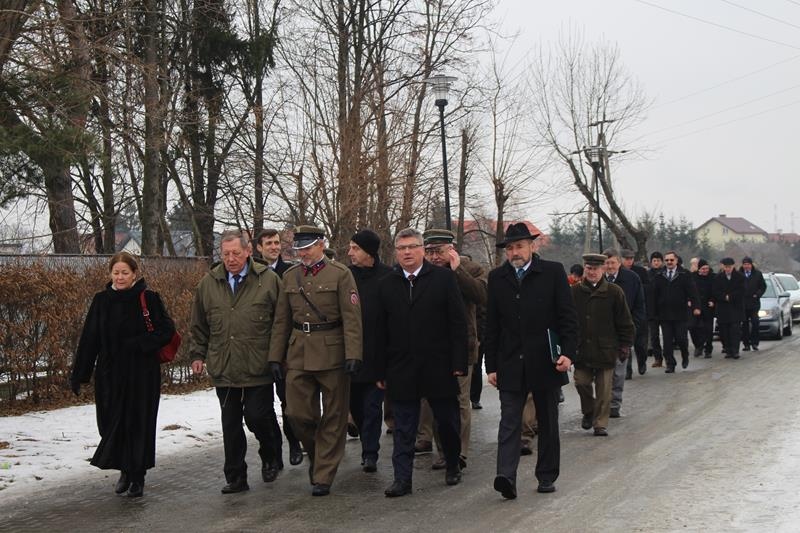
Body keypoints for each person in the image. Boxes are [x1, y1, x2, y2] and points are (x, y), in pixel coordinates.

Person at [484, 222, 578, 500]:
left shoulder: (552, 272)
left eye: (520, 246)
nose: (515, 252)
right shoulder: (497, 278)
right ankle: (506, 476)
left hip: (546, 360)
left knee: (547, 420)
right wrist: (491, 365)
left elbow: (567, 317)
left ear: (532, 246)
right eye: (510, 248)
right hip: (510, 361)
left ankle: (546, 475)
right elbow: (492, 326)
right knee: (509, 421)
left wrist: (568, 353)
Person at [71, 252, 176, 498]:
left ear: (134, 274)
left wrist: (140, 344)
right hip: (110, 373)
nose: (119, 277)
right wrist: (80, 374)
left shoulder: (148, 298)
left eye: (124, 273)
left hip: (142, 373)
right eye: (116, 272)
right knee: (110, 423)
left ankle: (137, 475)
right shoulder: (101, 300)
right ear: (110, 274)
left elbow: (166, 330)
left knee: (138, 423)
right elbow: (90, 338)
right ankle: (125, 470)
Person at [268, 225, 363, 497]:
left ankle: (323, 474)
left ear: (321, 245)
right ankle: (319, 455)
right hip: (298, 352)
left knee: (334, 416)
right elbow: (281, 321)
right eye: (299, 249)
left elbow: (352, 319)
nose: (303, 253)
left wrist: (353, 354)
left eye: (308, 248)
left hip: (333, 351)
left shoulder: (340, 274)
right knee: (297, 414)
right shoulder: (290, 276)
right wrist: (275, 356)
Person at [375, 228, 468, 497]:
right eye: (402, 248)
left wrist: (459, 362)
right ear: (396, 252)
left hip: (439, 365)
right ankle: (402, 479)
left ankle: (453, 463)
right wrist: (380, 369)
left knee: (447, 422)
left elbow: (457, 323)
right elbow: (379, 330)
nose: (407, 252)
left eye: (412, 247)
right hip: (401, 366)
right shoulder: (387, 283)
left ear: (422, 250)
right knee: (404, 427)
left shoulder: (442, 279)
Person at [189, 229, 283, 494]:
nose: (231, 259)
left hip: (258, 364)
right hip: (225, 365)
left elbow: (281, 323)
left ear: (248, 251)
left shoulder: (268, 280)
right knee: (230, 424)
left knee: (257, 416)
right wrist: (197, 355)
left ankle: (270, 453)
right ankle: (235, 477)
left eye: (236, 253)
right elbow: (199, 324)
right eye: (226, 254)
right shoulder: (209, 284)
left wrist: (278, 357)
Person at [415, 228, 487, 471]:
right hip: (431, 347)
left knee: (460, 400)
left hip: (463, 345)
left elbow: (481, 295)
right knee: (435, 400)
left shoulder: (471, 269)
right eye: (430, 252)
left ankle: (460, 452)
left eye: (440, 251)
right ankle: (445, 451)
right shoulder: (422, 272)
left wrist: (458, 272)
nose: (435, 257)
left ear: (451, 249)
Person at [254, 229, 303, 467]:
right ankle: (274, 450)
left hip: (285, 348)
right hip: (259, 347)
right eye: (269, 244)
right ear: (259, 248)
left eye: (276, 243)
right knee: (262, 406)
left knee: (287, 401)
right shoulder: (252, 274)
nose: (274, 247)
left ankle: (294, 443)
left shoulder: (290, 272)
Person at [571, 253, 635, 436]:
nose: (592, 272)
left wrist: (625, 345)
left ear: (603, 269)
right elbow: (567, 321)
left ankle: (600, 423)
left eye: (596, 269)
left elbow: (625, 321)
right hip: (582, 349)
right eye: (589, 268)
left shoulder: (614, 292)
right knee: (581, 383)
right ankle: (589, 410)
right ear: (584, 269)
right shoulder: (574, 292)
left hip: (606, 349)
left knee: (604, 389)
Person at [347, 229, 392, 473]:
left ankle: (370, 453)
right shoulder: (346, 276)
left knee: (373, 407)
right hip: (352, 354)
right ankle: (367, 443)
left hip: (377, 354)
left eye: (355, 248)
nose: (350, 253)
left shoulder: (388, 276)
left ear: (369, 252)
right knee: (356, 406)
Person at [603, 248, 644, 418]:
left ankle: (614, 403)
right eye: (606, 263)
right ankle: (602, 401)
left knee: (618, 370)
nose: (609, 266)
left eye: (612, 262)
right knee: (603, 371)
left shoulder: (632, 279)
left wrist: (633, 327)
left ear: (619, 263)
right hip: (602, 331)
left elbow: (639, 305)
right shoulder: (597, 278)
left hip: (623, 331)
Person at [652, 251, 700, 373]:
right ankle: (670, 363)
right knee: (667, 342)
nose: (669, 262)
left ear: (676, 261)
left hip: (680, 313)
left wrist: (696, 307)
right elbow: (654, 295)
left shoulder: (684, 274)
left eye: (671, 260)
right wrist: (654, 311)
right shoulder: (659, 275)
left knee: (681, 339)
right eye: (667, 260)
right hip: (664, 314)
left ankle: (685, 355)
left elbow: (693, 292)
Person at [620, 248, 649, 375]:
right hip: (623, 314)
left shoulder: (640, 272)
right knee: (626, 344)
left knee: (640, 344)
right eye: (626, 259)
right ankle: (627, 370)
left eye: (631, 259)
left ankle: (642, 362)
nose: (629, 261)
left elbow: (647, 290)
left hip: (637, 313)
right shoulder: (618, 273)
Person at [713, 257, 745, 359]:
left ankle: (735, 350)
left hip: (736, 307)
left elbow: (742, 290)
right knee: (724, 331)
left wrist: (730, 296)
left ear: (733, 266)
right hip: (723, 308)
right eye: (726, 267)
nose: (728, 269)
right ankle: (728, 350)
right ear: (723, 267)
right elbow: (715, 291)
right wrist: (723, 297)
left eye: (729, 267)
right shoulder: (718, 277)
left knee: (735, 330)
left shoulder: (740, 277)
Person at [690, 259, 716, 358]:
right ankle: (698, 346)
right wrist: (689, 300)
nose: (705, 271)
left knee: (708, 329)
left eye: (706, 269)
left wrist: (713, 300)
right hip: (696, 305)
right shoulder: (693, 277)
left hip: (708, 306)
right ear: (699, 269)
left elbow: (716, 290)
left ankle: (708, 349)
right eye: (703, 269)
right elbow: (688, 289)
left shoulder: (712, 277)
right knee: (693, 327)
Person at [740, 257, 766, 352]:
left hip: (754, 302)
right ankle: (746, 344)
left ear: (751, 265)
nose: (746, 266)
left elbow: (763, 286)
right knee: (744, 324)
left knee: (755, 322)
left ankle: (755, 343)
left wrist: (757, 294)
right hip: (743, 303)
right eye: (745, 264)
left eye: (748, 264)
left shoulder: (757, 274)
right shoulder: (739, 274)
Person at [647, 252, 664, 367]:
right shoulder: (647, 274)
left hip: (664, 309)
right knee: (654, 336)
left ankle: (668, 357)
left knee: (667, 336)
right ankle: (658, 358)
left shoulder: (666, 273)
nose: (656, 263)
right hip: (652, 310)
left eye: (658, 260)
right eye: (654, 261)